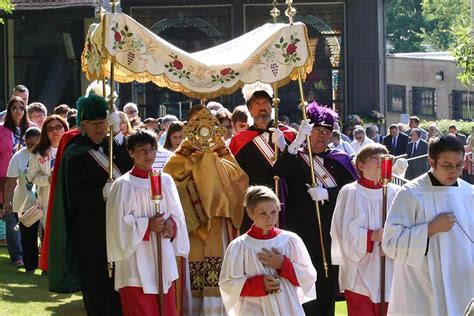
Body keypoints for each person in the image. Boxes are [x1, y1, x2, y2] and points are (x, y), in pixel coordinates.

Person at [47, 94, 133, 316]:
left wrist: (118, 137)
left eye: (102, 122)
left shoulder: (111, 145)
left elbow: (129, 167)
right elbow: (75, 194)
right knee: (95, 278)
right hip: (90, 225)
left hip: (117, 222)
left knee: (117, 279)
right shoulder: (75, 152)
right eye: (94, 124)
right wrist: (100, 193)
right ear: (83, 125)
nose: (99, 128)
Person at [273, 101, 358, 316]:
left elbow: (353, 193)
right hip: (301, 229)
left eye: (327, 132)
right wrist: (296, 142)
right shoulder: (297, 157)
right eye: (317, 130)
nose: (322, 136)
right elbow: (279, 172)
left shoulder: (339, 159)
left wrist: (328, 193)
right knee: (303, 281)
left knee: (327, 284)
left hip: (329, 229)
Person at [164, 105, 248, 316]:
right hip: (190, 227)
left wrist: (211, 162)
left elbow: (238, 180)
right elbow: (169, 183)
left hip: (218, 223)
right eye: (195, 122)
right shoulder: (180, 154)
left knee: (217, 270)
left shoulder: (221, 150)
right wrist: (196, 161)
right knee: (191, 272)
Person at [382, 135, 473, 316]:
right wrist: (430, 229)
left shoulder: (469, 193)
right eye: (447, 165)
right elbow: (390, 243)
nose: (454, 171)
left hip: (462, 282)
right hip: (423, 283)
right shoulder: (410, 193)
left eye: (459, 165)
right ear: (431, 161)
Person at [106, 129, 189, 316]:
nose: (148, 155)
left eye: (152, 149)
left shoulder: (165, 181)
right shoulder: (123, 185)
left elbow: (177, 215)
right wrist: (147, 225)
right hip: (135, 259)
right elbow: (116, 225)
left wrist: (171, 225)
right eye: (142, 150)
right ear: (131, 153)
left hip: (162, 257)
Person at [219, 185, 317, 316]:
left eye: (273, 212)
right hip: (254, 310)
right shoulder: (239, 246)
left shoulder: (290, 241)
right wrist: (259, 284)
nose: (269, 218)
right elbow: (227, 284)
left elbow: (308, 276)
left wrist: (283, 265)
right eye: (263, 213)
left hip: (288, 308)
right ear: (250, 213)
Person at [331, 144, 399, 316]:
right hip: (359, 270)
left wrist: (393, 243)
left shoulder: (397, 193)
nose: (381, 161)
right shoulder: (350, 192)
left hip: (390, 268)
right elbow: (342, 232)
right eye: (376, 157)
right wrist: (374, 235)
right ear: (361, 165)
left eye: (385, 158)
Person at [229, 82, 296, 232]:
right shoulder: (240, 140)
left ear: (272, 107)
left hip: (288, 201)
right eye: (257, 103)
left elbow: (298, 168)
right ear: (250, 110)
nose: (262, 107)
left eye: (265, 102)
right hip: (256, 203)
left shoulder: (289, 135)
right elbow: (235, 178)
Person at [0, 96, 34, 267]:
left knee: (30, 214)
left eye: (21, 107)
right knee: (11, 213)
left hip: (31, 177)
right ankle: (17, 255)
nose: (18, 110)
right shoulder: (2, 130)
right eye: (14, 107)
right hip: (6, 176)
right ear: (9, 110)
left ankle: (31, 252)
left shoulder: (33, 129)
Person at [3, 127, 41, 272]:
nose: (32, 147)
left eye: (35, 144)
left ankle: (45, 265)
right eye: (29, 144)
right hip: (24, 203)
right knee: (28, 237)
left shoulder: (46, 153)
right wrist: (7, 201)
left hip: (44, 201)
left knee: (45, 235)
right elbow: (11, 181)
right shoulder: (18, 157)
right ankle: (30, 266)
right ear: (25, 142)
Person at [28, 115, 68, 226]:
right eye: (50, 129)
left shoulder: (72, 149)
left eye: (58, 127)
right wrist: (48, 180)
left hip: (69, 200)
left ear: (65, 128)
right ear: (45, 132)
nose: (54, 131)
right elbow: (31, 177)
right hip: (48, 202)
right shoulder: (38, 153)